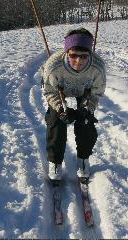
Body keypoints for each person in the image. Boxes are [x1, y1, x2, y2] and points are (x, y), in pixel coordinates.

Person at [42, 28, 106, 181]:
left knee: (86, 122)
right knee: (55, 122)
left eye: (84, 56)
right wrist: (60, 108)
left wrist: (87, 109)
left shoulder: (97, 68)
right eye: (74, 55)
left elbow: (97, 92)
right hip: (60, 90)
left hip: (85, 90)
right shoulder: (53, 66)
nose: (78, 60)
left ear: (90, 54)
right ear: (67, 52)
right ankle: (55, 162)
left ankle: (83, 158)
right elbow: (50, 91)